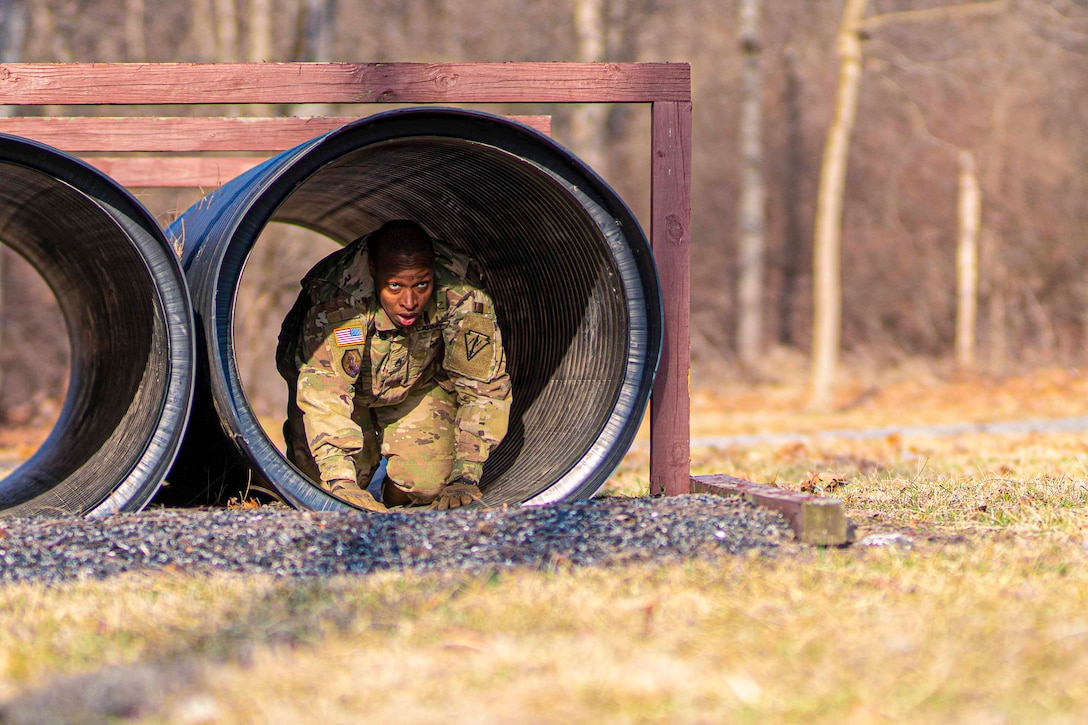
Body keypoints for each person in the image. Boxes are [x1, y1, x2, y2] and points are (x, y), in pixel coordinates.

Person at [275, 220, 512, 513]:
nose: (409, 302)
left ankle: (391, 500)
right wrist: (340, 481)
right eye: (395, 287)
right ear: (375, 273)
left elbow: (483, 386)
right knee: (320, 495)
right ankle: (359, 484)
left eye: (421, 285)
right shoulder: (340, 297)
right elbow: (325, 391)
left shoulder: (460, 290)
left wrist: (466, 474)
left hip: (413, 383)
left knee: (430, 484)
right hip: (337, 388)